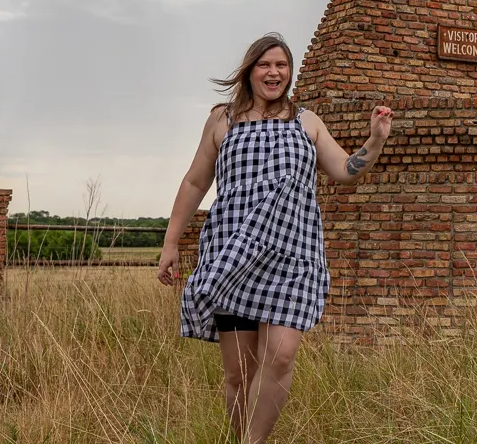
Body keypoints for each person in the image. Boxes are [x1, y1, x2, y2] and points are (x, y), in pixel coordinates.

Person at [157, 32, 393, 443]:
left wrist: (375, 139)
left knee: (280, 357)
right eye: (265, 64)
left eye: (281, 65)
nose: (274, 72)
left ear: (290, 72)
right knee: (239, 371)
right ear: (250, 71)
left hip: (292, 256)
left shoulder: (307, 121)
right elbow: (196, 182)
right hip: (234, 253)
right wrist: (171, 243)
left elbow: (344, 169)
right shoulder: (222, 119)